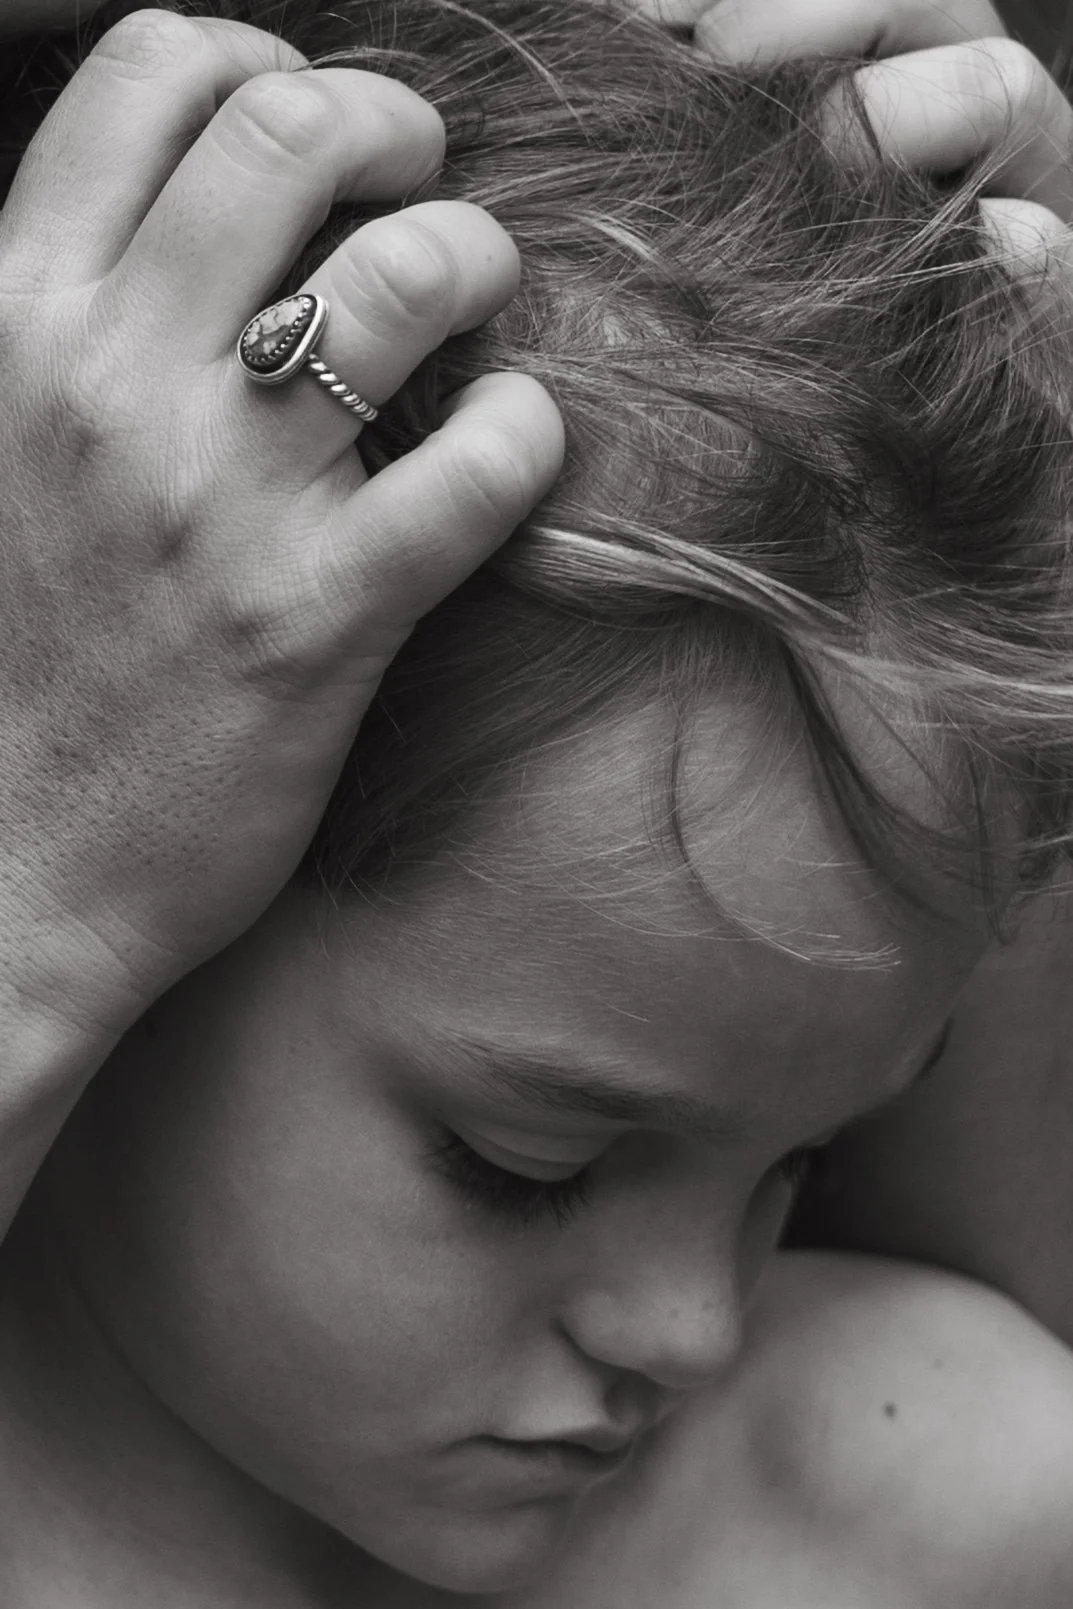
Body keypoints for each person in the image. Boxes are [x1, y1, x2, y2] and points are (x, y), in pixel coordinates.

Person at [1, 2, 1073, 1607]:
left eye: (806, 1159)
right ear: (149, 888)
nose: (692, 1331)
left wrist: (1014, 434)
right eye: (524, 1161)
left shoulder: (927, 1498)